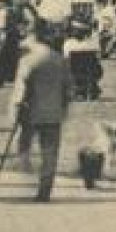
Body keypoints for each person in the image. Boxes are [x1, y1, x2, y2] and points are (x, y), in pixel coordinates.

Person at [13, 20, 74, 201]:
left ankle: (25, 179)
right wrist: (63, 107)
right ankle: (45, 188)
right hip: (53, 111)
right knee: (50, 151)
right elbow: (69, 88)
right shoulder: (59, 59)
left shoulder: (28, 60)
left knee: (24, 145)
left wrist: (18, 107)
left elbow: (21, 89)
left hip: (32, 111)